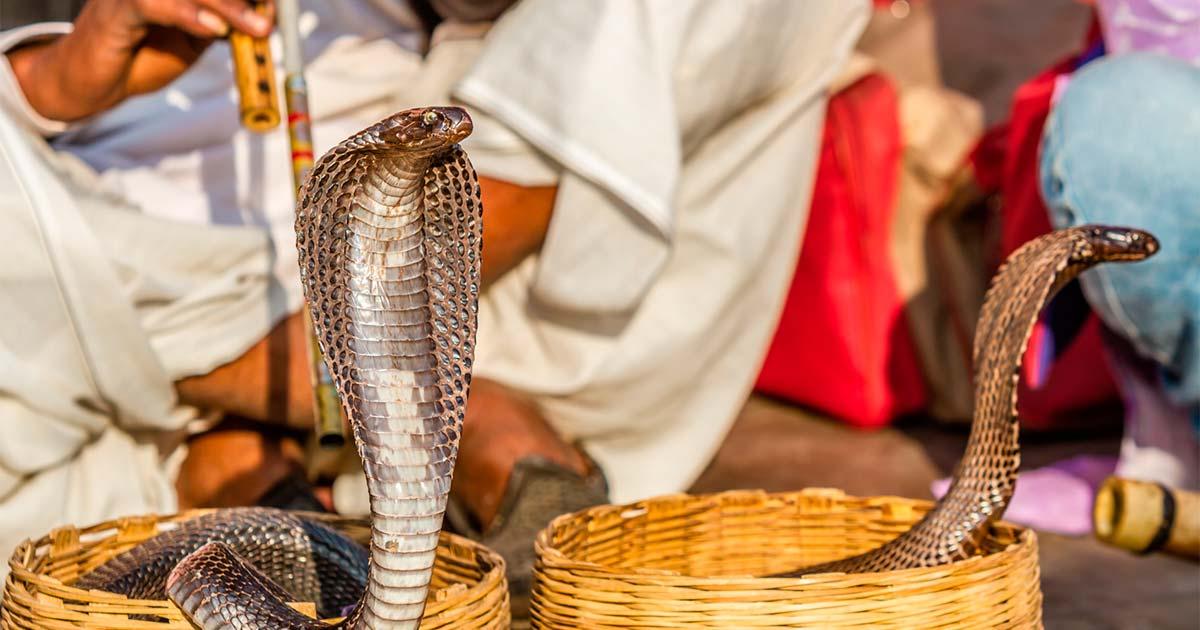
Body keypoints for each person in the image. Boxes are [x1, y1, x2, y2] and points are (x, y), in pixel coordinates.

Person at [0, 0, 868, 607]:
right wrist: (53, 81)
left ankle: (267, 451)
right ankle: (287, 449)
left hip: (471, 300)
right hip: (71, 288)